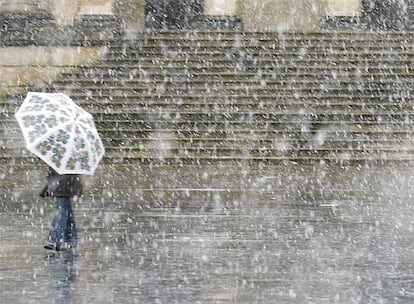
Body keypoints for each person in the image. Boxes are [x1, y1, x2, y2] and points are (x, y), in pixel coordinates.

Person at [40, 167, 82, 251]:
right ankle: (70, 240)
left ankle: (54, 240)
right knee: (66, 213)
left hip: (63, 187)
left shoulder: (64, 161)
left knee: (61, 213)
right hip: (62, 186)